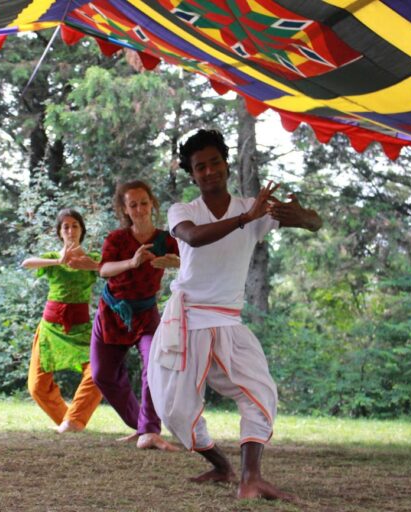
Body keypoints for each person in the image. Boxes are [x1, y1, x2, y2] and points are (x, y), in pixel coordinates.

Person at [148, 129, 321, 501]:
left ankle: (251, 478)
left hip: (227, 321)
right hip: (187, 319)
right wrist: (246, 219)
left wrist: (304, 216)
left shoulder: (252, 208)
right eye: (200, 167)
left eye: (214, 163)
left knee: (260, 391)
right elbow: (192, 238)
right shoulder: (184, 211)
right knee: (173, 408)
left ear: (226, 164)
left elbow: (315, 222)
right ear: (191, 174)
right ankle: (222, 465)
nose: (208, 171)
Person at [91, 180, 181, 451]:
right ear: (125, 209)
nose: (140, 209)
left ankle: (149, 430)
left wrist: (176, 263)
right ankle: (141, 422)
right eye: (133, 205)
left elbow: (189, 263)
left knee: (153, 365)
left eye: (144, 203)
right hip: (112, 311)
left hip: (146, 313)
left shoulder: (166, 240)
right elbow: (103, 269)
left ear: (152, 203)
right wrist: (132, 262)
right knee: (101, 374)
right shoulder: (117, 239)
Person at [21, 208, 104, 433]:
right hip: (50, 328)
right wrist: (59, 261)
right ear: (59, 232)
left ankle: (74, 421)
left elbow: (110, 270)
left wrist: (88, 264)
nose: (70, 230)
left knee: (99, 374)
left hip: (80, 328)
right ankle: (67, 422)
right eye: (65, 226)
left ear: (82, 230)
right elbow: (26, 263)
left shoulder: (93, 259)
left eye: (75, 225)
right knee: (36, 386)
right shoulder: (50, 260)